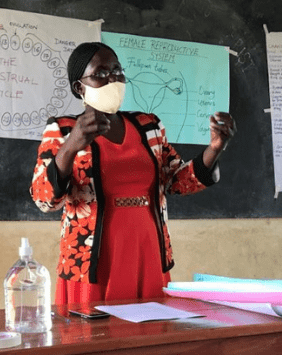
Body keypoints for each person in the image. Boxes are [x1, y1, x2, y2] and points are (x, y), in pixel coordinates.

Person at [30, 42, 236, 305]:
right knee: (94, 340)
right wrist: (71, 146)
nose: (112, 78)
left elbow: (178, 181)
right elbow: (43, 199)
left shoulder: (148, 125)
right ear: (78, 87)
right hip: (91, 262)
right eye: (100, 73)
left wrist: (215, 147)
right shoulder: (63, 130)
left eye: (117, 70)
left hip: (148, 251)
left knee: (151, 337)